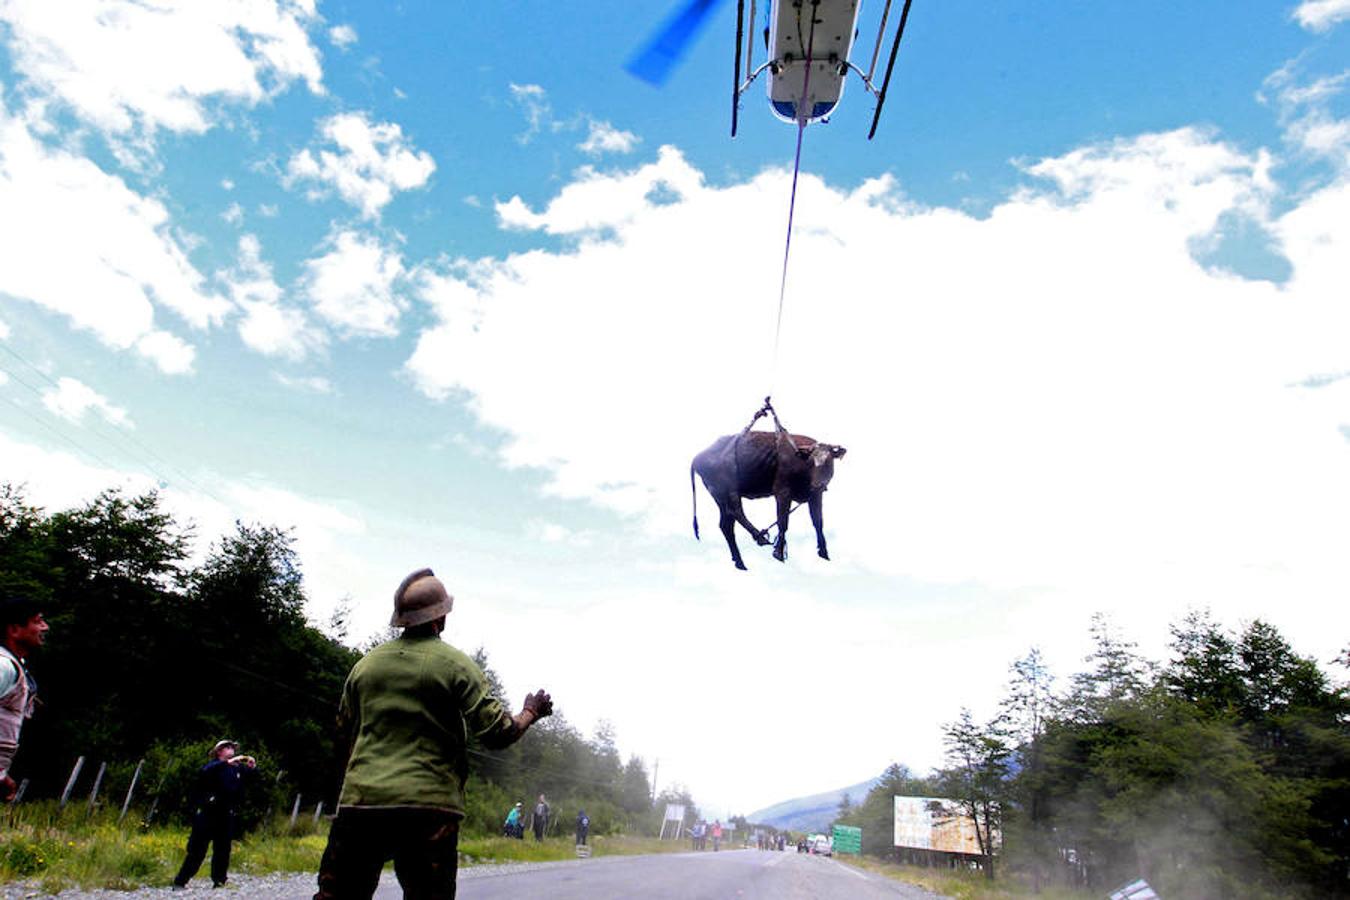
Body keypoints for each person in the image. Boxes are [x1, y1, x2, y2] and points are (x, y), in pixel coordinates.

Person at [314, 568, 553, 900]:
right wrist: (530, 712)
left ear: (402, 619)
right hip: (428, 811)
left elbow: (342, 736)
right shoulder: (455, 665)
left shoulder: (364, 667)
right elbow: (498, 733)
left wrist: (339, 797)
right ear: (440, 617)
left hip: (361, 805)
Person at [172, 740, 258, 889]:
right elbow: (204, 772)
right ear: (219, 752)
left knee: (223, 850)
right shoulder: (213, 766)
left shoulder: (237, 768)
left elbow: (253, 778)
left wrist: (252, 768)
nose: (231, 750)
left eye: (232, 748)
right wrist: (227, 762)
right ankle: (181, 881)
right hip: (208, 813)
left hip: (226, 814)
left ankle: (219, 881)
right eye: (227, 748)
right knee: (197, 850)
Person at [0, 596, 47, 802]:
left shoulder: (14, 666)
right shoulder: (3, 666)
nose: (45, 627)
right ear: (14, 630)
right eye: (37, 621)